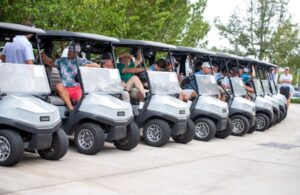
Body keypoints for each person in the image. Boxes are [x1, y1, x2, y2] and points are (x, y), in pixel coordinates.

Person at [42, 44, 99, 110]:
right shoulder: (62, 60)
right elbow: (50, 63)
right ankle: (71, 109)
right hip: (65, 88)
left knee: (82, 103)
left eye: (71, 51)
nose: (69, 52)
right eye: (69, 50)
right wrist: (43, 55)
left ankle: (80, 112)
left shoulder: (81, 61)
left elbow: (97, 66)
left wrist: (85, 66)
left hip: (77, 88)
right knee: (58, 86)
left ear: (76, 53)